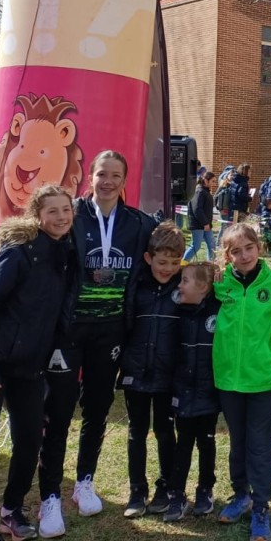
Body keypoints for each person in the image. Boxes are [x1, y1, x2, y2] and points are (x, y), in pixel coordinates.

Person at [38, 150, 157, 539]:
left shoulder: (137, 223)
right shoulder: (69, 214)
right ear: (89, 176)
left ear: (125, 180)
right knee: (58, 412)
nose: (108, 182)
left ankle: (84, 481)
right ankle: (50, 495)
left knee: (97, 409)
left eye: (116, 175)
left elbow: (159, 263)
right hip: (68, 331)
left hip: (110, 333)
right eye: (102, 174)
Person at [0, 185, 79, 541]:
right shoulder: (17, 254)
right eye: (52, 211)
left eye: (66, 210)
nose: (60, 217)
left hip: (29, 368)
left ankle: (11, 511)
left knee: (29, 441)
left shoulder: (65, 253)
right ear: (36, 215)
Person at [213, 220, 271, 541]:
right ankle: (240, 494)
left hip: (260, 378)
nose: (243, 256)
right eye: (235, 251)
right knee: (237, 441)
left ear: (260, 247)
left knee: (259, 444)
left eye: (248, 248)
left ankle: (261, 507)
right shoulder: (220, 283)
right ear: (226, 256)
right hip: (227, 377)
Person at [121, 221, 185, 518]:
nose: (168, 268)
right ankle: (137, 489)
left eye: (174, 262)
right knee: (137, 430)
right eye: (162, 262)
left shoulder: (183, 285)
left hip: (167, 373)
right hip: (135, 369)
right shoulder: (136, 284)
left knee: (164, 430)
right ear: (148, 258)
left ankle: (166, 486)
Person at [165, 261, 221, 523]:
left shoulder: (218, 308)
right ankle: (176, 493)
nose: (179, 285)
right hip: (182, 390)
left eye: (185, 280)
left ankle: (205, 489)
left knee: (207, 442)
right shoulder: (177, 311)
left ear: (204, 287)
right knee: (182, 444)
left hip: (208, 392)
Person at [184, 171, 217, 261]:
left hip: (205, 225)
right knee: (196, 246)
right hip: (198, 224)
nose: (214, 184)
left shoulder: (205, 191)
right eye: (213, 181)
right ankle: (182, 264)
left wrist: (207, 223)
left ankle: (211, 265)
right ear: (206, 181)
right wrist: (205, 223)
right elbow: (197, 209)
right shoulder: (199, 192)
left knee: (212, 246)